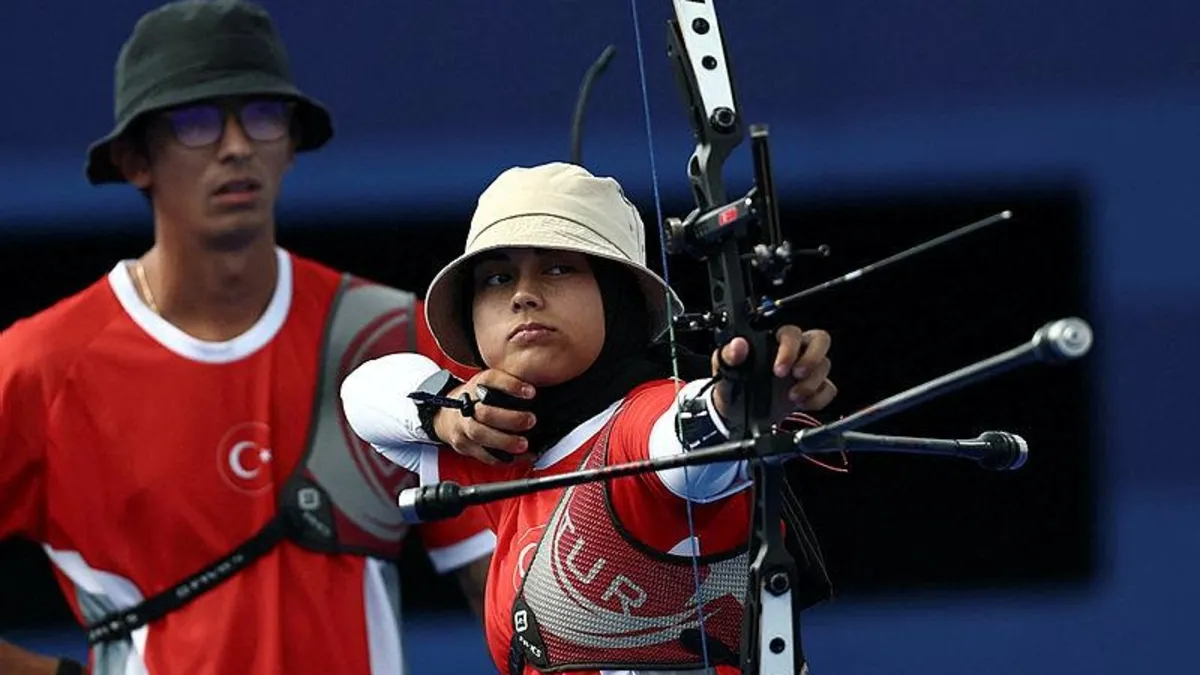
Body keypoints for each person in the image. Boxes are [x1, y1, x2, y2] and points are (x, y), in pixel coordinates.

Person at [0, 2, 494, 674]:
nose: (236, 145)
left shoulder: (389, 338)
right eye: (196, 122)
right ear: (135, 159)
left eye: (262, 116)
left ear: (291, 144)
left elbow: (498, 580)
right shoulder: (38, 367)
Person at [341, 162, 839, 675]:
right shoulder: (499, 442)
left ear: (616, 295)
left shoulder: (642, 418)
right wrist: (444, 415)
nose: (522, 294)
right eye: (497, 277)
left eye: (558, 268)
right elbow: (361, 394)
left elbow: (683, 440)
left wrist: (738, 401)